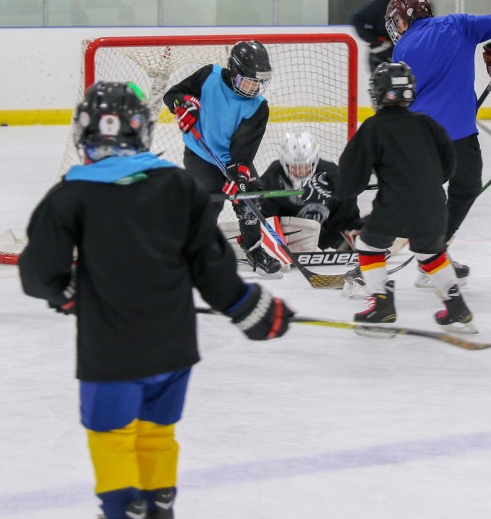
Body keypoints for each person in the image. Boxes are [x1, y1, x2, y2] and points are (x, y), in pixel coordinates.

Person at [18, 81, 292, 519]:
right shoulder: (179, 185)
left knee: (110, 433)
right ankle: (160, 502)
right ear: (142, 131)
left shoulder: (70, 195)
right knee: (157, 432)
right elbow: (212, 265)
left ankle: (123, 508)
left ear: (83, 134)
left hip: (109, 353)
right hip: (173, 349)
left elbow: (36, 273)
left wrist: (65, 291)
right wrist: (248, 308)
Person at [333, 62, 478, 333]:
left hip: (395, 205)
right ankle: (458, 308)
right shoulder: (427, 123)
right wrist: (425, 184)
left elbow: (352, 178)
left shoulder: (373, 127)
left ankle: (382, 305)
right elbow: (448, 164)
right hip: (434, 204)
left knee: (368, 245)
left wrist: (337, 190)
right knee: (431, 253)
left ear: (377, 93)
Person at [385, 0, 491, 287]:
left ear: (405, 20)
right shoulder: (460, 25)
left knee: (430, 197)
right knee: (466, 187)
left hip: (420, 138)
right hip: (459, 134)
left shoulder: (402, 48)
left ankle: (430, 254)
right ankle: (434, 252)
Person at [163, 40, 282, 276]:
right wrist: (183, 104)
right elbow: (173, 94)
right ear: (234, 70)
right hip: (200, 154)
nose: (254, 88)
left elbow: (244, 149)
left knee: (249, 198)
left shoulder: (258, 107)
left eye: (259, 82)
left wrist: (238, 175)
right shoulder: (209, 76)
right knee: (208, 203)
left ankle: (254, 248)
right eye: (249, 81)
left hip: (232, 159)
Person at [257, 130, 365, 251]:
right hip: (290, 240)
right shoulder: (272, 177)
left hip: (328, 234)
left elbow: (347, 204)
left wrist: (342, 233)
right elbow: (262, 212)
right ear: (284, 163)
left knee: (345, 199)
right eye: (295, 167)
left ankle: (347, 238)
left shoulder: (330, 172)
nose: (301, 171)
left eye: (306, 166)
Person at [352, 0, 427, 73]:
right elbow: (358, 19)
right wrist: (375, 41)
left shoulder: (425, 6)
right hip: (383, 61)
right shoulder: (384, 2)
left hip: (412, 60)